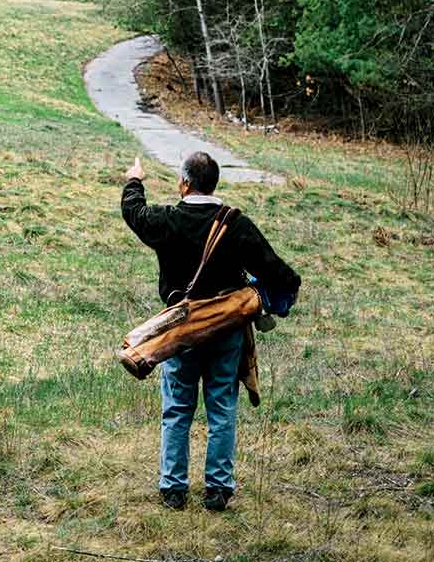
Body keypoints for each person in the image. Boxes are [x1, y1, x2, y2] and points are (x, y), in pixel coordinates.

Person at [120, 151, 300, 512]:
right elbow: (283, 275)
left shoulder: (169, 220)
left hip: (180, 333)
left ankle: (173, 489)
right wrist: (257, 296)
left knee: (176, 410)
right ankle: (218, 490)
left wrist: (134, 179)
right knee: (222, 409)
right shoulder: (236, 224)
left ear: (184, 183)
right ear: (214, 183)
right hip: (225, 331)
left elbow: (135, 214)